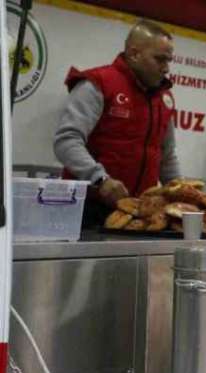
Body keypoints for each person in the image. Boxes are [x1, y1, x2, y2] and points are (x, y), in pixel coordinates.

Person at [53, 19, 180, 225]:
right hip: (86, 210)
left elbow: (167, 157)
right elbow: (66, 141)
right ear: (134, 53)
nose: (166, 68)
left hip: (139, 215)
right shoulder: (97, 84)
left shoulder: (164, 100)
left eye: (169, 61)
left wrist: (181, 195)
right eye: (160, 59)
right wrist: (100, 179)